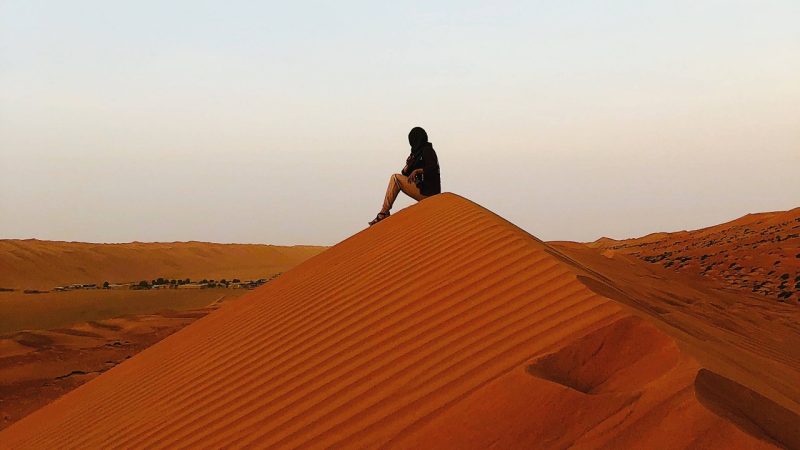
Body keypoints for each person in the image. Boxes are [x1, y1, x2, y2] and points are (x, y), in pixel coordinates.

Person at [369, 126, 441, 226]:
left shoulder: (427, 150)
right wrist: (409, 164)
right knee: (396, 179)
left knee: (395, 178)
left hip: (430, 193)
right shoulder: (416, 153)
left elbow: (433, 168)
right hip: (421, 188)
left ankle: (384, 212)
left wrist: (417, 171)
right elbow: (405, 174)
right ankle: (384, 212)